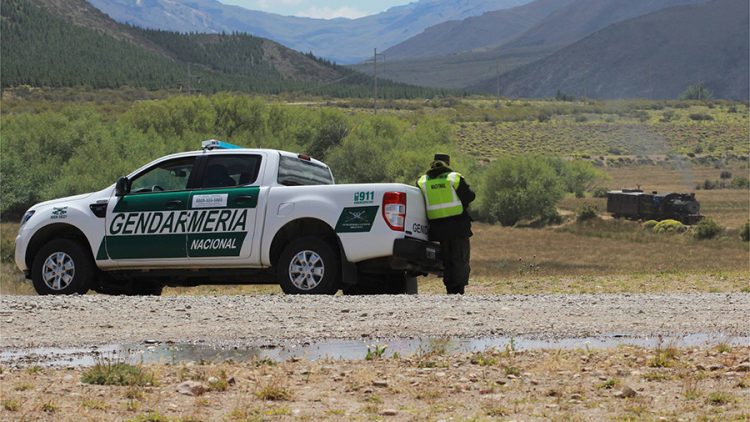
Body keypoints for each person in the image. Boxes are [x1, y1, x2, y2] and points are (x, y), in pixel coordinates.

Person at [417, 154, 475, 295]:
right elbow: (470, 196)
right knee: (460, 259)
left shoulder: (422, 181)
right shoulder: (453, 178)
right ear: (447, 163)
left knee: (447, 260)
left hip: (437, 229)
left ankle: (450, 290)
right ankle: (458, 291)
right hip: (458, 227)